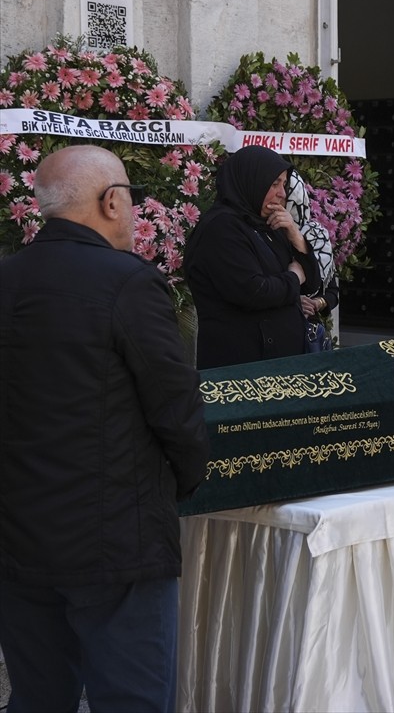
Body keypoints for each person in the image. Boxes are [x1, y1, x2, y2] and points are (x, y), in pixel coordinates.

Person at [0, 145, 210, 710]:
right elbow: (176, 407)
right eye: (133, 200)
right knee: (133, 699)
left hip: (19, 535)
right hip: (115, 539)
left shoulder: (8, 277)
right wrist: (183, 483)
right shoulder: (128, 283)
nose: (137, 213)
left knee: (39, 696)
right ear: (111, 201)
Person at [184, 145, 320, 368]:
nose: (282, 193)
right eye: (274, 183)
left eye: (284, 184)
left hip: (279, 366)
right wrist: (294, 277)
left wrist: (296, 237)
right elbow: (254, 292)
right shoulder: (220, 228)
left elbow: (312, 283)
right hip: (242, 372)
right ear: (251, 180)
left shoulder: (269, 224)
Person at [285, 170, 339, 347]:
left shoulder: (316, 236)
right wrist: (293, 301)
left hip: (312, 334)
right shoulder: (264, 234)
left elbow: (332, 292)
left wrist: (316, 303)